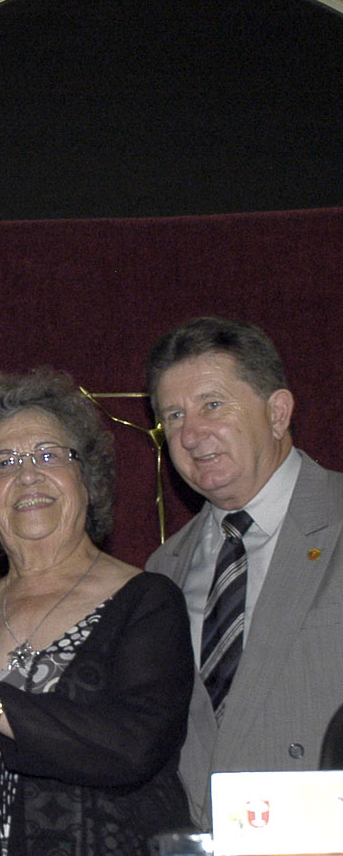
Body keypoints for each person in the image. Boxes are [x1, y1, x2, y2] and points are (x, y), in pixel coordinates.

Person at [0, 369, 193, 854]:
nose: (28, 474)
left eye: (49, 455)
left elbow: (132, 746)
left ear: (88, 480)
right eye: (5, 462)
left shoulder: (148, 601)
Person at [145, 317, 343, 828]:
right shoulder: (162, 570)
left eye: (213, 405)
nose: (190, 434)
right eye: (173, 415)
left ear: (278, 412)